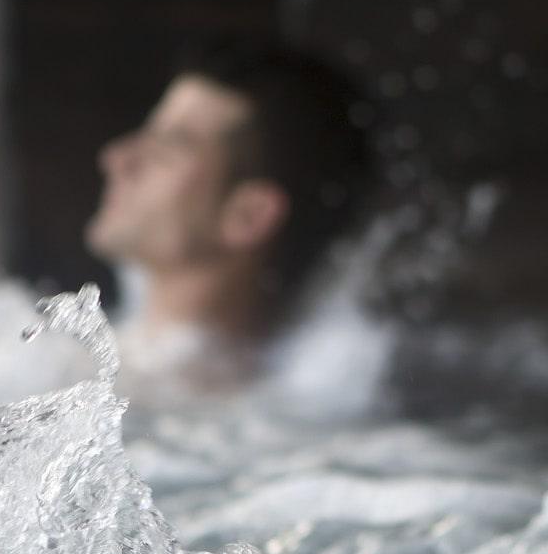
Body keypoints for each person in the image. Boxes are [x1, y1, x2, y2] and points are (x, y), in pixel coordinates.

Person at [84, 38, 374, 396]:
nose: (117, 159)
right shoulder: (95, 361)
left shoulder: (174, 401)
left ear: (249, 216)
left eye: (166, 150)